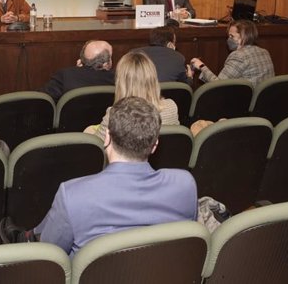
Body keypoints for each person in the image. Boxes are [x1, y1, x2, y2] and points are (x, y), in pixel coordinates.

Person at [35, 96, 197, 255]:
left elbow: (48, 258)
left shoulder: (72, 195)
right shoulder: (185, 185)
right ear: (154, 146)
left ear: (106, 138)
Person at [86, 51, 179, 140]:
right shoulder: (171, 107)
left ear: (121, 83)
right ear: (153, 79)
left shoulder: (114, 115)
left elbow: (98, 148)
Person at [190, 19, 274, 87]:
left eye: (232, 36)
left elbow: (219, 85)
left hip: (243, 103)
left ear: (243, 36)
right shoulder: (264, 52)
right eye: (228, 36)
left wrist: (201, 66)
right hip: (264, 103)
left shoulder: (238, 56)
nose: (228, 39)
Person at [40, 40, 115, 102]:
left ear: (81, 60)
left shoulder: (65, 76)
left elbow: (41, 98)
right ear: (106, 64)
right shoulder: (118, 79)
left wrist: (77, 71)